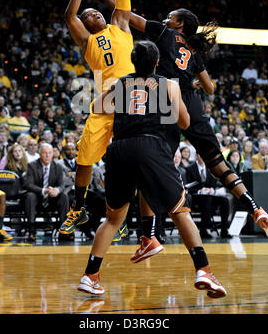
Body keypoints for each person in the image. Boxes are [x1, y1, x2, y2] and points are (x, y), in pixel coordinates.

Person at [90, 0, 268, 240]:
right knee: (218, 164)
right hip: (193, 101)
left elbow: (126, 14)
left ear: (178, 24)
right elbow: (210, 88)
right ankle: (256, 209)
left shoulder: (164, 33)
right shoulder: (193, 49)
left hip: (169, 98)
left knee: (148, 163)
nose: (166, 18)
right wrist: (194, 83)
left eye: (170, 17)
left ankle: (149, 235)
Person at [78, 40, 227, 299]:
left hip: (120, 148)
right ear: (157, 62)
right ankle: (203, 269)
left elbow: (96, 107)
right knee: (180, 210)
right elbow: (184, 121)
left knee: (113, 219)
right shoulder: (168, 85)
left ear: (134, 62)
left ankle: (90, 276)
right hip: (150, 145)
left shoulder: (119, 83)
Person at [59, 0, 136, 238]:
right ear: (88, 25)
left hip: (133, 102)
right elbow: (70, 17)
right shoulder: (87, 42)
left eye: (96, 10)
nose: (94, 13)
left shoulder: (120, 24)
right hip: (104, 105)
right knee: (84, 157)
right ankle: (78, 208)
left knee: (128, 163)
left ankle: (123, 220)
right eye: (90, 13)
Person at [22, 143, 69, 242]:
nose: (47, 155)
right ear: (40, 154)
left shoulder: (58, 167)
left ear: (53, 154)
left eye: (50, 153)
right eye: (44, 153)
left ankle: (64, 231)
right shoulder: (32, 165)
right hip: (37, 199)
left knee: (63, 196)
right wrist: (43, 191)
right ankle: (31, 230)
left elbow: (62, 185)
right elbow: (28, 184)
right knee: (30, 196)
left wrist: (56, 190)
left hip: (52, 199)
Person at [185, 153, 232, 239]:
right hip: (196, 198)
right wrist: (199, 191)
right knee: (207, 199)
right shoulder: (190, 169)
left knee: (224, 200)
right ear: (197, 155)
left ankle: (224, 229)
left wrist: (212, 190)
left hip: (210, 196)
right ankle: (204, 229)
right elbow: (188, 187)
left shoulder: (211, 168)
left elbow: (213, 185)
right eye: (201, 155)